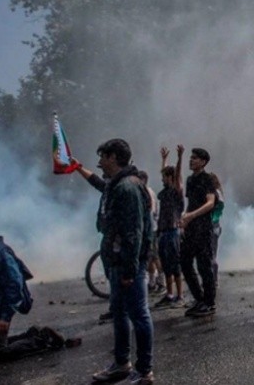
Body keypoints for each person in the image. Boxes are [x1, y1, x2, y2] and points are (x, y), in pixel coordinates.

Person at [0, 228, 79, 368]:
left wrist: (5, 317)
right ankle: (33, 334)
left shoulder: (1, 255)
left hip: (1, 309)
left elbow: (15, 286)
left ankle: (42, 338)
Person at [90, 139, 154, 384]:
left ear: (114, 157)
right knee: (119, 312)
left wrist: (129, 270)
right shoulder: (116, 185)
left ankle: (144, 370)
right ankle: (121, 363)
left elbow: (132, 233)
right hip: (117, 262)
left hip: (127, 264)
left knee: (138, 314)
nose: (99, 162)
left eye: (103, 157)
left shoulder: (127, 188)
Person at [72, 159, 114, 322]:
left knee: (119, 278)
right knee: (111, 276)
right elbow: (94, 180)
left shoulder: (119, 188)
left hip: (116, 240)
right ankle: (115, 308)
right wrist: (78, 168)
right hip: (107, 237)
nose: (102, 172)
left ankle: (121, 310)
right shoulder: (108, 188)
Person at [180, 148, 218, 318]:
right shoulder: (190, 180)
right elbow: (190, 203)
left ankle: (209, 302)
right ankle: (199, 298)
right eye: (190, 157)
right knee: (185, 262)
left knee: (204, 266)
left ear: (203, 161)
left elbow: (210, 203)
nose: (191, 160)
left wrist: (192, 215)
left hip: (203, 227)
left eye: (194, 158)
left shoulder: (208, 179)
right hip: (191, 228)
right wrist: (184, 220)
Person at [154, 146, 186, 309]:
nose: (162, 179)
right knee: (166, 265)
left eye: (165, 177)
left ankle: (180, 296)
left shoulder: (176, 191)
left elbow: (177, 175)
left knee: (175, 265)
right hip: (164, 231)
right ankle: (169, 294)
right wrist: (164, 160)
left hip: (173, 232)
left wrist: (180, 157)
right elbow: (165, 171)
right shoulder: (165, 192)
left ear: (170, 178)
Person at [138, 170, 164, 294]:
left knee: (154, 255)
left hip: (151, 229)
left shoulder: (148, 193)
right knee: (150, 257)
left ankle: (161, 281)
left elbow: (151, 212)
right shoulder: (145, 192)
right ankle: (152, 282)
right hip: (148, 228)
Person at [209, 172, 225, 282]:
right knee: (213, 253)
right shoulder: (220, 194)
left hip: (212, 226)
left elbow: (216, 213)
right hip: (216, 226)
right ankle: (213, 280)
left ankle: (212, 280)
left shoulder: (214, 195)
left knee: (211, 254)